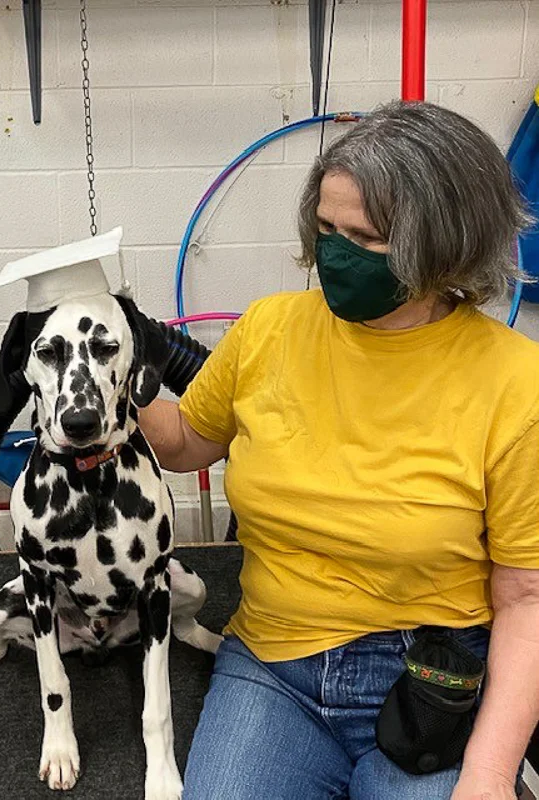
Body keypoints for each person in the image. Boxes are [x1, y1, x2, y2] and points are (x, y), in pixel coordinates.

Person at [139, 101, 539, 800]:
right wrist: (116, 376)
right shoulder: (268, 329)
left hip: (428, 674)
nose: (336, 252)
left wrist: (490, 772)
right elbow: (184, 443)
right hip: (272, 662)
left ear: (443, 244)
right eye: (326, 228)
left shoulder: (515, 383)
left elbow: (526, 597)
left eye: (365, 237)